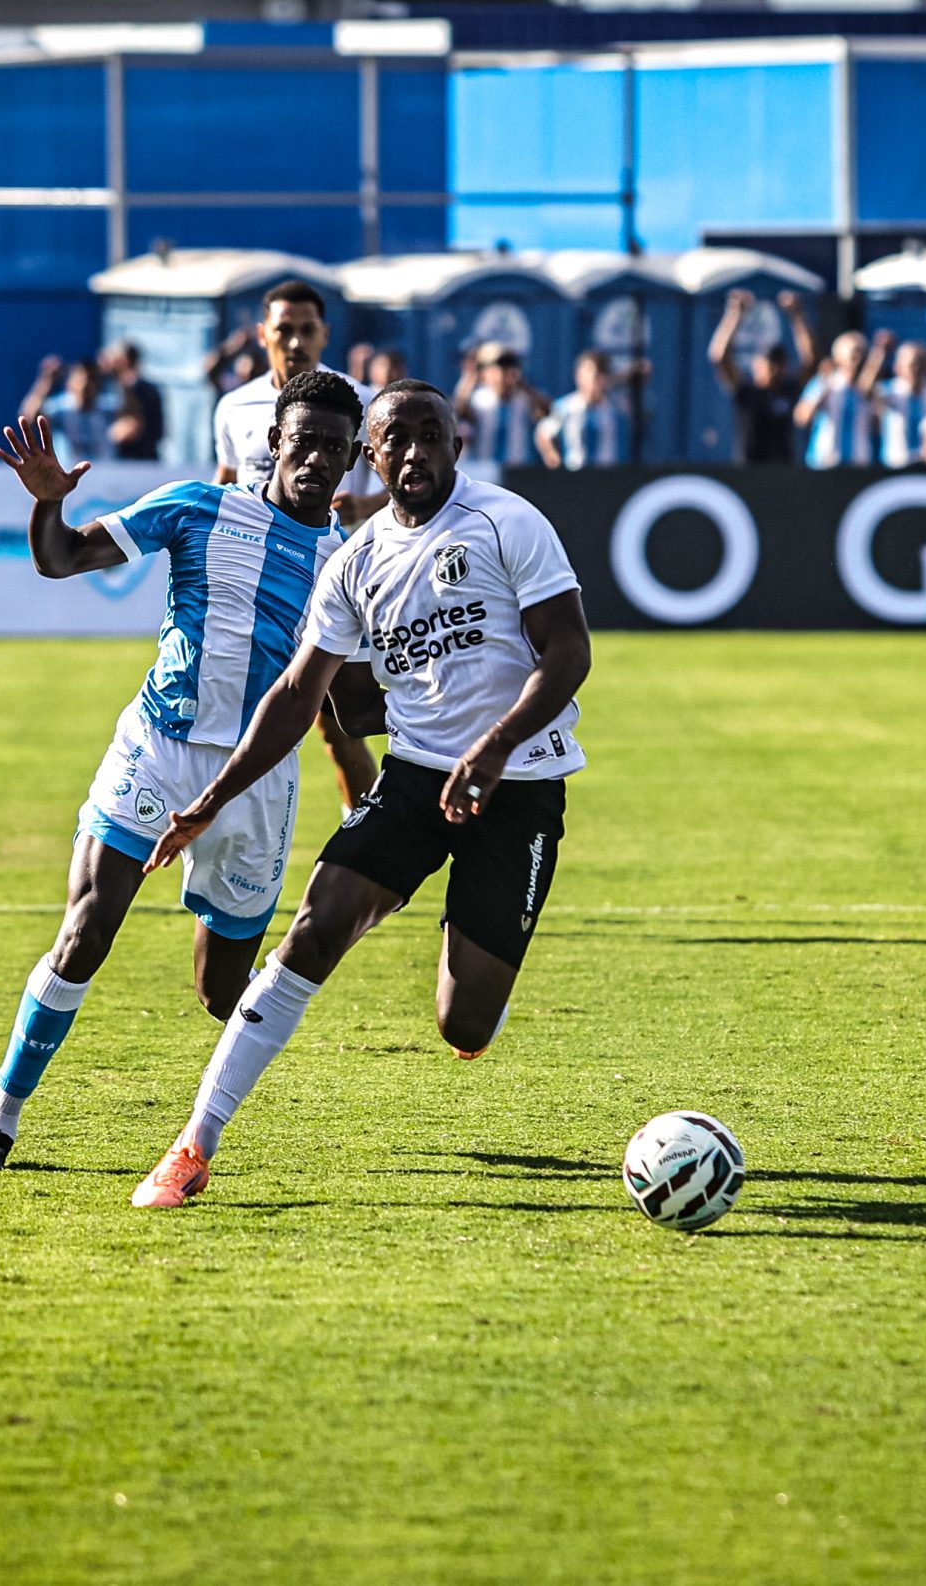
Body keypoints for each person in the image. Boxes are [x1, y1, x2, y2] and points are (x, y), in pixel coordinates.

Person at [125, 380, 593, 1209]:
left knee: (464, 1024)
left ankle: (465, 941)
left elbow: (568, 655)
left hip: (518, 785)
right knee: (311, 930)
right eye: (396, 440)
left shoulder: (507, 522)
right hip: (415, 781)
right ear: (370, 457)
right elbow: (300, 696)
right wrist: (212, 799)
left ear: (457, 442)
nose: (415, 452)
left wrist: (491, 749)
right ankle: (194, 1143)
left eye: (431, 435)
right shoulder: (354, 561)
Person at [0, 372, 373, 1174]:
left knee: (222, 991)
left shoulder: (349, 562)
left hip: (258, 778)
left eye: (334, 448)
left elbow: (352, 704)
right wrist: (46, 501)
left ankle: (215, 1113)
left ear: (353, 461)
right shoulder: (198, 508)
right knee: (85, 931)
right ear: (274, 440)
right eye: (303, 440)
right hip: (159, 748)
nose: (316, 459)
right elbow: (62, 558)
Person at [211, 280, 379, 808]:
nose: (295, 342)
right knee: (229, 713)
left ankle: (369, 838)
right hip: (253, 582)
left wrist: (365, 509)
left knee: (338, 726)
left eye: (307, 330)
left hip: (331, 577)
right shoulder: (235, 407)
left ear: (325, 334)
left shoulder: (360, 402)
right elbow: (224, 483)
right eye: (284, 330)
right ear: (263, 334)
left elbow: (410, 488)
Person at [709, 288, 814, 466]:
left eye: (778, 364)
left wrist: (797, 316)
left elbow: (810, 361)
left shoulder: (788, 390)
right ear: (757, 365)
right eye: (769, 364)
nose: (774, 370)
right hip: (749, 472)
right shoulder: (747, 391)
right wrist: (735, 314)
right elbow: (719, 357)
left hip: (783, 472)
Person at [795, 329, 888, 469]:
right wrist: (822, 387)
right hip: (825, 463)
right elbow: (802, 418)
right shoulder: (824, 382)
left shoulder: (872, 390)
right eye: (853, 352)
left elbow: (878, 427)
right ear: (838, 356)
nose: (857, 357)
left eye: (861, 352)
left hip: (859, 464)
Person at [454, 342, 547, 469]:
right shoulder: (478, 399)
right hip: (485, 469)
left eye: (507, 369)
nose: (501, 375)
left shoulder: (524, 399)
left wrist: (522, 382)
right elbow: (459, 412)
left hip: (518, 469)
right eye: (496, 369)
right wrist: (472, 375)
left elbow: (544, 412)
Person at [537, 350, 630, 470]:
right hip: (575, 475)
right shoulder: (566, 406)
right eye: (590, 372)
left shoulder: (616, 407)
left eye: (600, 373)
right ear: (578, 375)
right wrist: (552, 456)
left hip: (608, 476)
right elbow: (543, 433)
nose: (595, 378)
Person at [878, 338, 926, 470]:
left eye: (921, 364)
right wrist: (879, 355)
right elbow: (865, 394)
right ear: (898, 367)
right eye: (913, 364)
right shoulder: (888, 392)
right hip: (896, 466)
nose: (917, 370)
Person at [19, 356, 111, 463]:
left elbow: (131, 422)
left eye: (93, 379)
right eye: (82, 380)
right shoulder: (60, 410)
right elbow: (29, 417)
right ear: (70, 382)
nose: (87, 385)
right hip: (67, 474)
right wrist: (47, 381)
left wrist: (119, 374)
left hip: (105, 474)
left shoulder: (109, 408)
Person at [105, 342, 164, 462]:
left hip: (135, 462)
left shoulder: (137, 389)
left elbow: (133, 429)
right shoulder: (116, 387)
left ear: (124, 359)